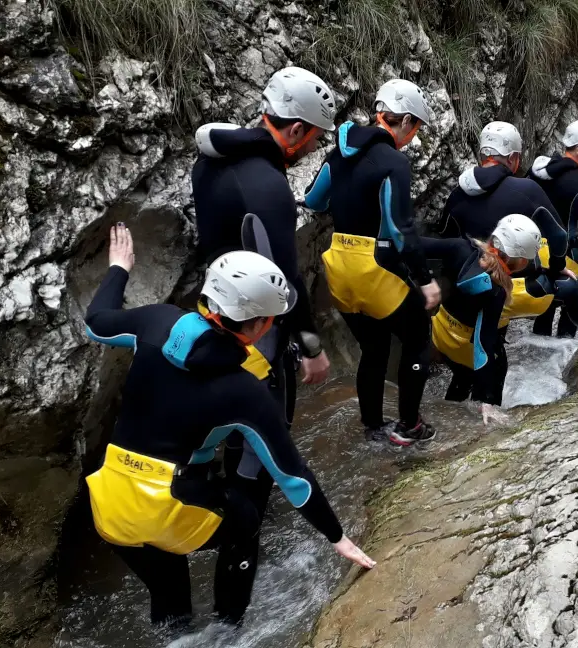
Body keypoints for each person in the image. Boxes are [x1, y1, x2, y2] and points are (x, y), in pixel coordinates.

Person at [84, 224, 374, 627]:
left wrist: (119, 268)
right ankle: (229, 626)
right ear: (258, 326)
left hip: (109, 502)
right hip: (168, 505)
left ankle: (178, 630)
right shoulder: (243, 392)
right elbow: (294, 479)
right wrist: (338, 538)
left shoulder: (155, 322)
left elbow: (95, 322)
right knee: (246, 518)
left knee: (168, 589)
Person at [192, 66, 336, 428]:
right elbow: (285, 279)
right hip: (255, 328)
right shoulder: (268, 187)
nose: (315, 147)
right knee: (266, 427)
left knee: (223, 422)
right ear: (297, 129)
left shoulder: (212, 160)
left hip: (211, 309)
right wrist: (311, 347)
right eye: (316, 137)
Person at [303, 79, 441, 446]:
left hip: (339, 266)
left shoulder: (337, 154)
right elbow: (400, 228)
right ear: (406, 121)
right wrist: (425, 280)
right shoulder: (393, 161)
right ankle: (409, 426)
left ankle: (373, 427)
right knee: (416, 338)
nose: (413, 136)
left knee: (374, 347)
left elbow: (313, 200)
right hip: (375, 267)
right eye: (415, 128)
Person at [438, 121, 578, 368]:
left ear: (482, 154)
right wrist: (555, 267)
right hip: (511, 291)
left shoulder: (456, 194)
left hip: (466, 294)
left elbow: (444, 244)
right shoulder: (525, 189)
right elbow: (558, 236)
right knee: (571, 288)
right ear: (512, 157)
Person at [422, 215, 541, 426]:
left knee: (462, 375)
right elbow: (482, 343)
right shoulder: (496, 292)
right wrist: (486, 399)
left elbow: (414, 246)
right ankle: (485, 414)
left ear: (494, 238)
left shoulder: (459, 247)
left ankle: (449, 409)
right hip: (464, 347)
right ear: (521, 262)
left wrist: (424, 279)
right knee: (497, 361)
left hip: (439, 333)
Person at [528, 119, 578, 338]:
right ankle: (564, 350)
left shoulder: (538, 170)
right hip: (565, 252)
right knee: (571, 302)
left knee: (546, 302)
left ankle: (540, 343)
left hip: (535, 251)